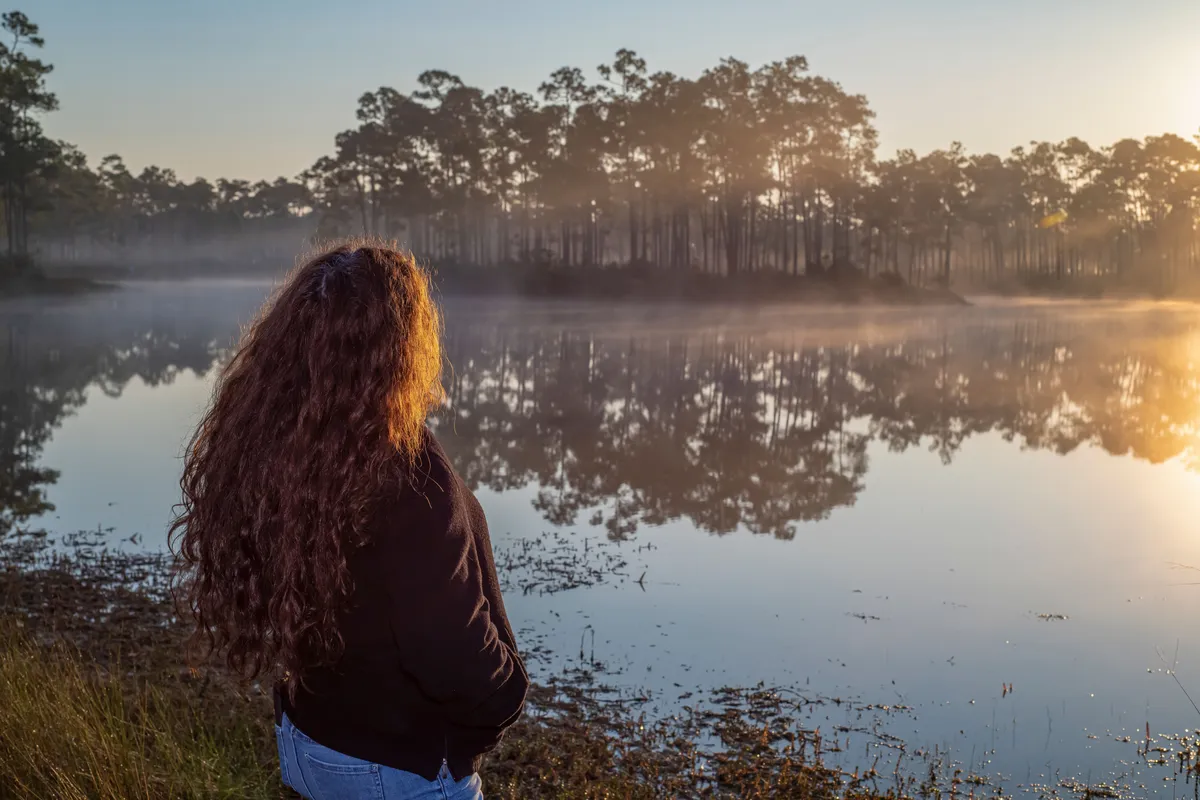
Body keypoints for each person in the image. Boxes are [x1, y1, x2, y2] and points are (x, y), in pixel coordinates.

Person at [170, 241, 527, 800]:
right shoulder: (411, 476)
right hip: (394, 772)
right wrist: (504, 696)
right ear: (403, 347)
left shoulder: (276, 445)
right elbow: (450, 652)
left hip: (308, 745)